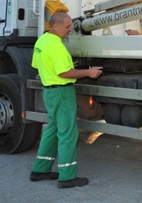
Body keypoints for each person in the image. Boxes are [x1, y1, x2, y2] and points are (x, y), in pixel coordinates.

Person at [29, 12, 103, 188]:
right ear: (55, 26)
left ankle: (40, 170)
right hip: (62, 92)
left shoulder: (42, 41)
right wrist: (88, 72)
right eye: (68, 26)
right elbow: (63, 73)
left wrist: (67, 65)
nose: (71, 29)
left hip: (49, 92)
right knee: (67, 133)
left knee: (52, 129)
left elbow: (37, 65)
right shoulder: (56, 45)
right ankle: (67, 177)